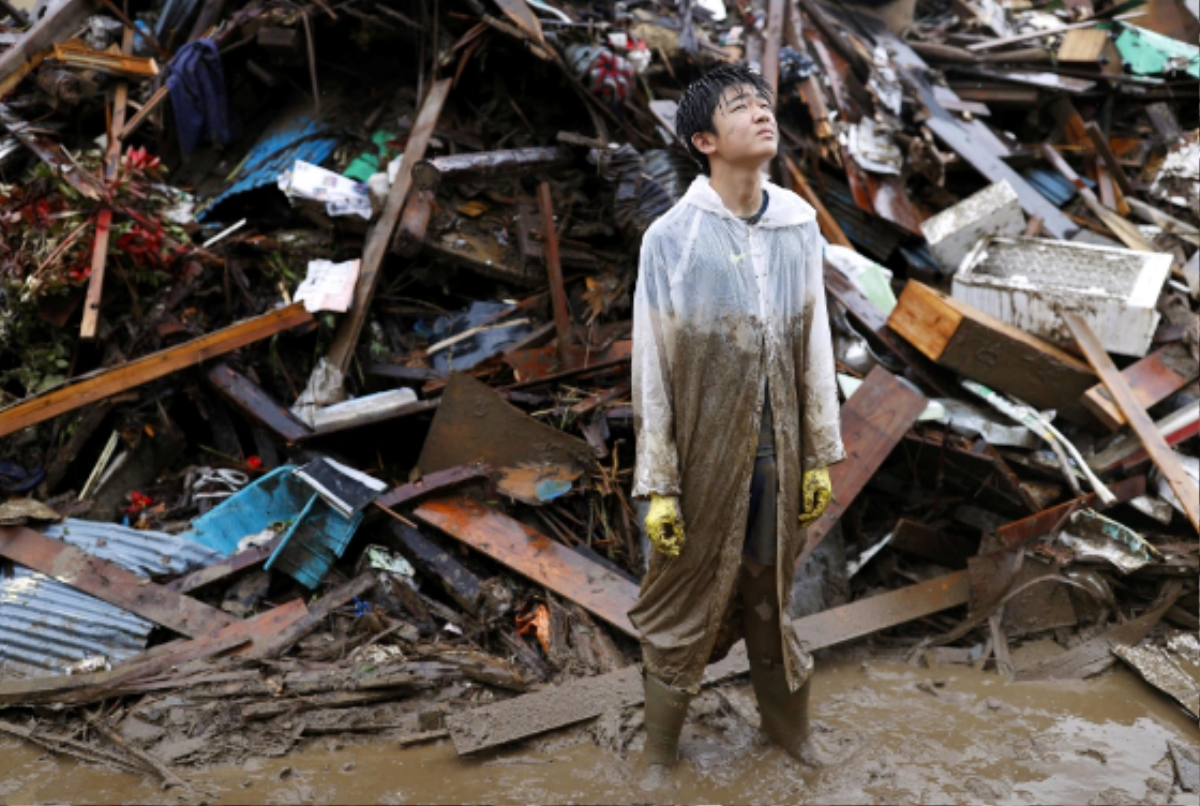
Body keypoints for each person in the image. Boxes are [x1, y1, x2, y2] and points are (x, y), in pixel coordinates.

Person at [629, 64, 845, 783]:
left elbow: (815, 338)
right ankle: (659, 753)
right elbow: (652, 369)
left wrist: (819, 452)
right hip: (701, 457)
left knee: (768, 598)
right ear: (703, 139)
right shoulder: (671, 238)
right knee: (682, 599)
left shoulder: (798, 225)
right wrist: (658, 482)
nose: (761, 114)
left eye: (763, 103)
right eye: (739, 107)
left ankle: (789, 736)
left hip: (778, 452)